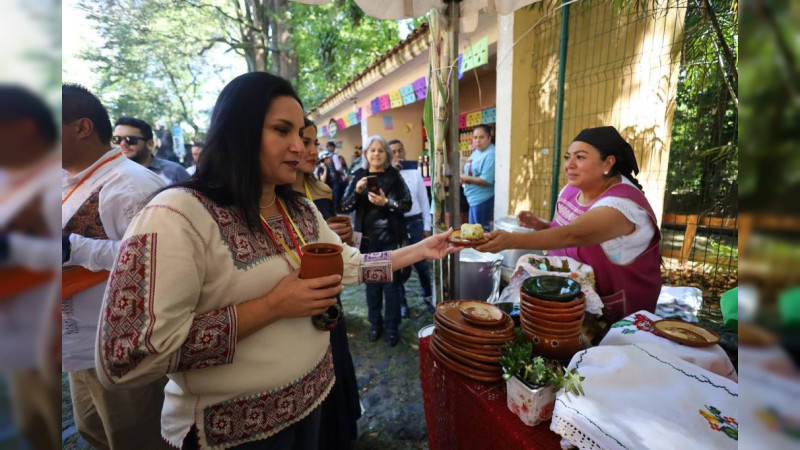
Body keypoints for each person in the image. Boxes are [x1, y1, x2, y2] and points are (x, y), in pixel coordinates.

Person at [95, 72, 458, 449]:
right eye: (282, 131)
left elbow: (348, 264)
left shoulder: (297, 208)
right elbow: (126, 358)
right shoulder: (177, 214)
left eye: (301, 135)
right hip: (232, 434)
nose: (300, 148)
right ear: (239, 130)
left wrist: (421, 249)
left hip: (313, 407)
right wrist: (271, 306)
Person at [62, 84, 169, 449]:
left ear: (81, 127)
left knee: (136, 438)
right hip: (76, 341)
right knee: (94, 431)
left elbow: (160, 258)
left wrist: (72, 247)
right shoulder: (64, 180)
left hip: (121, 346)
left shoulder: (133, 184)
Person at [476, 126, 662, 323]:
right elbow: (564, 231)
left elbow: (573, 235)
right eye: (567, 157)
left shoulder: (621, 207)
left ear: (607, 163)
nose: (569, 165)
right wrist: (542, 226)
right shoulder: (573, 189)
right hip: (568, 296)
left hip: (614, 310)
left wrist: (509, 240)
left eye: (580, 157)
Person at [293, 119, 360, 450]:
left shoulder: (319, 193)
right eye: (305, 141)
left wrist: (346, 238)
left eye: (314, 142)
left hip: (328, 297)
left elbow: (345, 254)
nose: (310, 150)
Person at [0, 85, 61, 450]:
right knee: (32, 427)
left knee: (50, 427)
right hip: (12, 340)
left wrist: (12, 247)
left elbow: (64, 255)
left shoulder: (55, 184)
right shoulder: (9, 179)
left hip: (47, 338)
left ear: (23, 128)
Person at [341, 135, 412, 347]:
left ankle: (392, 328)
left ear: (387, 155)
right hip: (366, 242)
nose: (376, 154)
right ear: (365, 154)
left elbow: (406, 204)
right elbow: (344, 206)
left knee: (391, 287)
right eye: (372, 150)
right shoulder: (359, 176)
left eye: (380, 150)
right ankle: (375, 324)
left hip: (391, 239)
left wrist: (386, 202)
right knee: (372, 287)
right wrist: (357, 191)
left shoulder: (394, 176)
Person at [388, 139, 434, 316]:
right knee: (398, 265)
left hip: (415, 222)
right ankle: (402, 302)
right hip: (396, 224)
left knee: (421, 264)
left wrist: (427, 225)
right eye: (393, 151)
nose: (397, 155)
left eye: (400, 150)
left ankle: (427, 296)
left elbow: (424, 200)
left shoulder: (414, 173)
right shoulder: (386, 175)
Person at [114, 116, 189, 184]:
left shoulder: (175, 172)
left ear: (150, 144)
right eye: (117, 139)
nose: (122, 144)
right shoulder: (111, 175)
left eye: (130, 139)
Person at [461, 124, 496, 230]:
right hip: (473, 198)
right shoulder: (477, 152)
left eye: (481, 137)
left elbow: (486, 180)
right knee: (473, 231)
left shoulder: (491, 154)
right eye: (475, 137)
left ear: (490, 137)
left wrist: (465, 178)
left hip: (483, 198)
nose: (477, 141)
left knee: (481, 232)